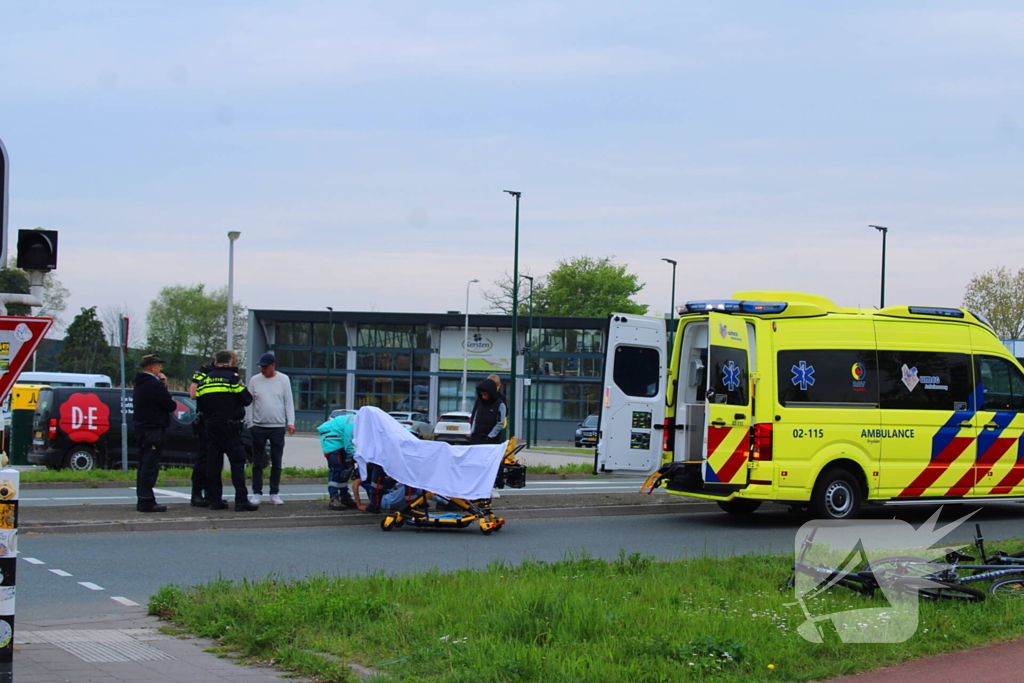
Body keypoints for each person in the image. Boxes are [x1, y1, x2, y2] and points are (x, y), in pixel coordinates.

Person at [196, 350, 258, 511]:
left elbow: (200, 404)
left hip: (211, 427)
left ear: (215, 362)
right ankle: (241, 500)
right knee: (237, 462)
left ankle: (215, 500)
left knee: (213, 464)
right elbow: (247, 399)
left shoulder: (205, 380)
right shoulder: (232, 378)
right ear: (230, 363)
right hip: (230, 427)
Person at [246, 352, 296, 506]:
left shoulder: (283, 379)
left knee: (276, 461)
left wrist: (290, 422)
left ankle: (274, 492)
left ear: (273, 365)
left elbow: (288, 402)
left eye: (265, 367)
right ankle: (256, 492)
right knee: (257, 462)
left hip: (277, 426)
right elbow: (250, 402)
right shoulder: (255, 380)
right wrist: (250, 423)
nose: (262, 369)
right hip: (259, 426)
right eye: (261, 366)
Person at [132, 354, 177, 513]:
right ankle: (146, 500)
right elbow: (170, 405)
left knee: (143, 465)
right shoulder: (153, 384)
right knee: (150, 466)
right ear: (151, 367)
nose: (161, 369)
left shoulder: (139, 383)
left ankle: (143, 497)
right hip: (153, 429)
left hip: (141, 428)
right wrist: (164, 385)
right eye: (158, 365)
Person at [316, 412, 358, 510]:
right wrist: (352, 453)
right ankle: (334, 497)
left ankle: (344, 496)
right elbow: (349, 440)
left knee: (344, 469)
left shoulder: (356, 421)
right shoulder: (353, 422)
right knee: (337, 469)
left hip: (336, 439)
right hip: (332, 441)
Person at [187, 359, 215, 507]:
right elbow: (193, 393)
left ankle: (211, 494)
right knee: (203, 458)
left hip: (215, 420)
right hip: (205, 419)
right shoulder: (204, 371)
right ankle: (197, 493)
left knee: (213, 459)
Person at [469, 377, 506, 445]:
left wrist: (490, 437)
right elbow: (475, 417)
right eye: (482, 395)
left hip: (491, 441)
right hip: (476, 438)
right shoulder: (480, 402)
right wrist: (473, 432)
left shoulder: (500, 404)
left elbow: (500, 423)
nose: (483, 397)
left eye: (485, 394)